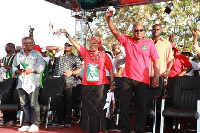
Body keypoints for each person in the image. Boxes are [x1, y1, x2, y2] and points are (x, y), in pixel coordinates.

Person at [106, 8, 160, 133]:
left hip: (143, 80)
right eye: (136, 30)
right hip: (127, 79)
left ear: (144, 32)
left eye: (141, 30)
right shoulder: (127, 40)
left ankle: (140, 130)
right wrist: (109, 19)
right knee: (124, 106)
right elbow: (114, 31)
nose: (139, 32)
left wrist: (156, 75)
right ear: (133, 32)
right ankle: (125, 130)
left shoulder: (149, 44)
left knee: (141, 108)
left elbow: (156, 60)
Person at [61, 29, 115, 133]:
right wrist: (67, 35)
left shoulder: (104, 55)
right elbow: (76, 44)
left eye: (94, 43)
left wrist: (112, 83)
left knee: (99, 107)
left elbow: (110, 69)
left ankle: (102, 128)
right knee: (88, 108)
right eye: (90, 43)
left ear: (99, 44)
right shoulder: (86, 53)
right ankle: (90, 128)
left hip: (101, 85)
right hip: (86, 85)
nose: (92, 45)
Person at [12, 37, 44, 132]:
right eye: (28, 43)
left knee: (33, 103)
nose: (31, 45)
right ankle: (27, 123)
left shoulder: (37, 54)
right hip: (22, 83)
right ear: (23, 44)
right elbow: (13, 67)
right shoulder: (18, 55)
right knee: (24, 104)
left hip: (33, 82)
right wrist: (17, 71)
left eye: (32, 43)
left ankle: (35, 123)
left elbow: (41, 66)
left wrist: (32, 70)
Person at [46, 42, 81, 127]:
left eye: (69, 45)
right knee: (58, 100)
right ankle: (59, 119)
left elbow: (79, 70)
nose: (66, 46)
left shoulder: (75, 57)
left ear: (73, 47)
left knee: (67, 100)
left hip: (68, 80)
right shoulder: (59, 54)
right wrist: (57, 47)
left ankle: (68, 120)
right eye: (65, 44)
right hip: (57, 80)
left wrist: (71, 72)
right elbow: (47, 48)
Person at [1, 43, 17, 125]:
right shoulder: (3, 58)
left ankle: (12, 118)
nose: (6, 47)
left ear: (13, 48)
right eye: (5, 46)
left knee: (11, 98)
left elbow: (18, 68)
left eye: (8, 46)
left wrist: (9, 67)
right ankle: (5, 119)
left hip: (13, 80)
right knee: (4, 98)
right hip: (4, 80)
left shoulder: (16, 57)